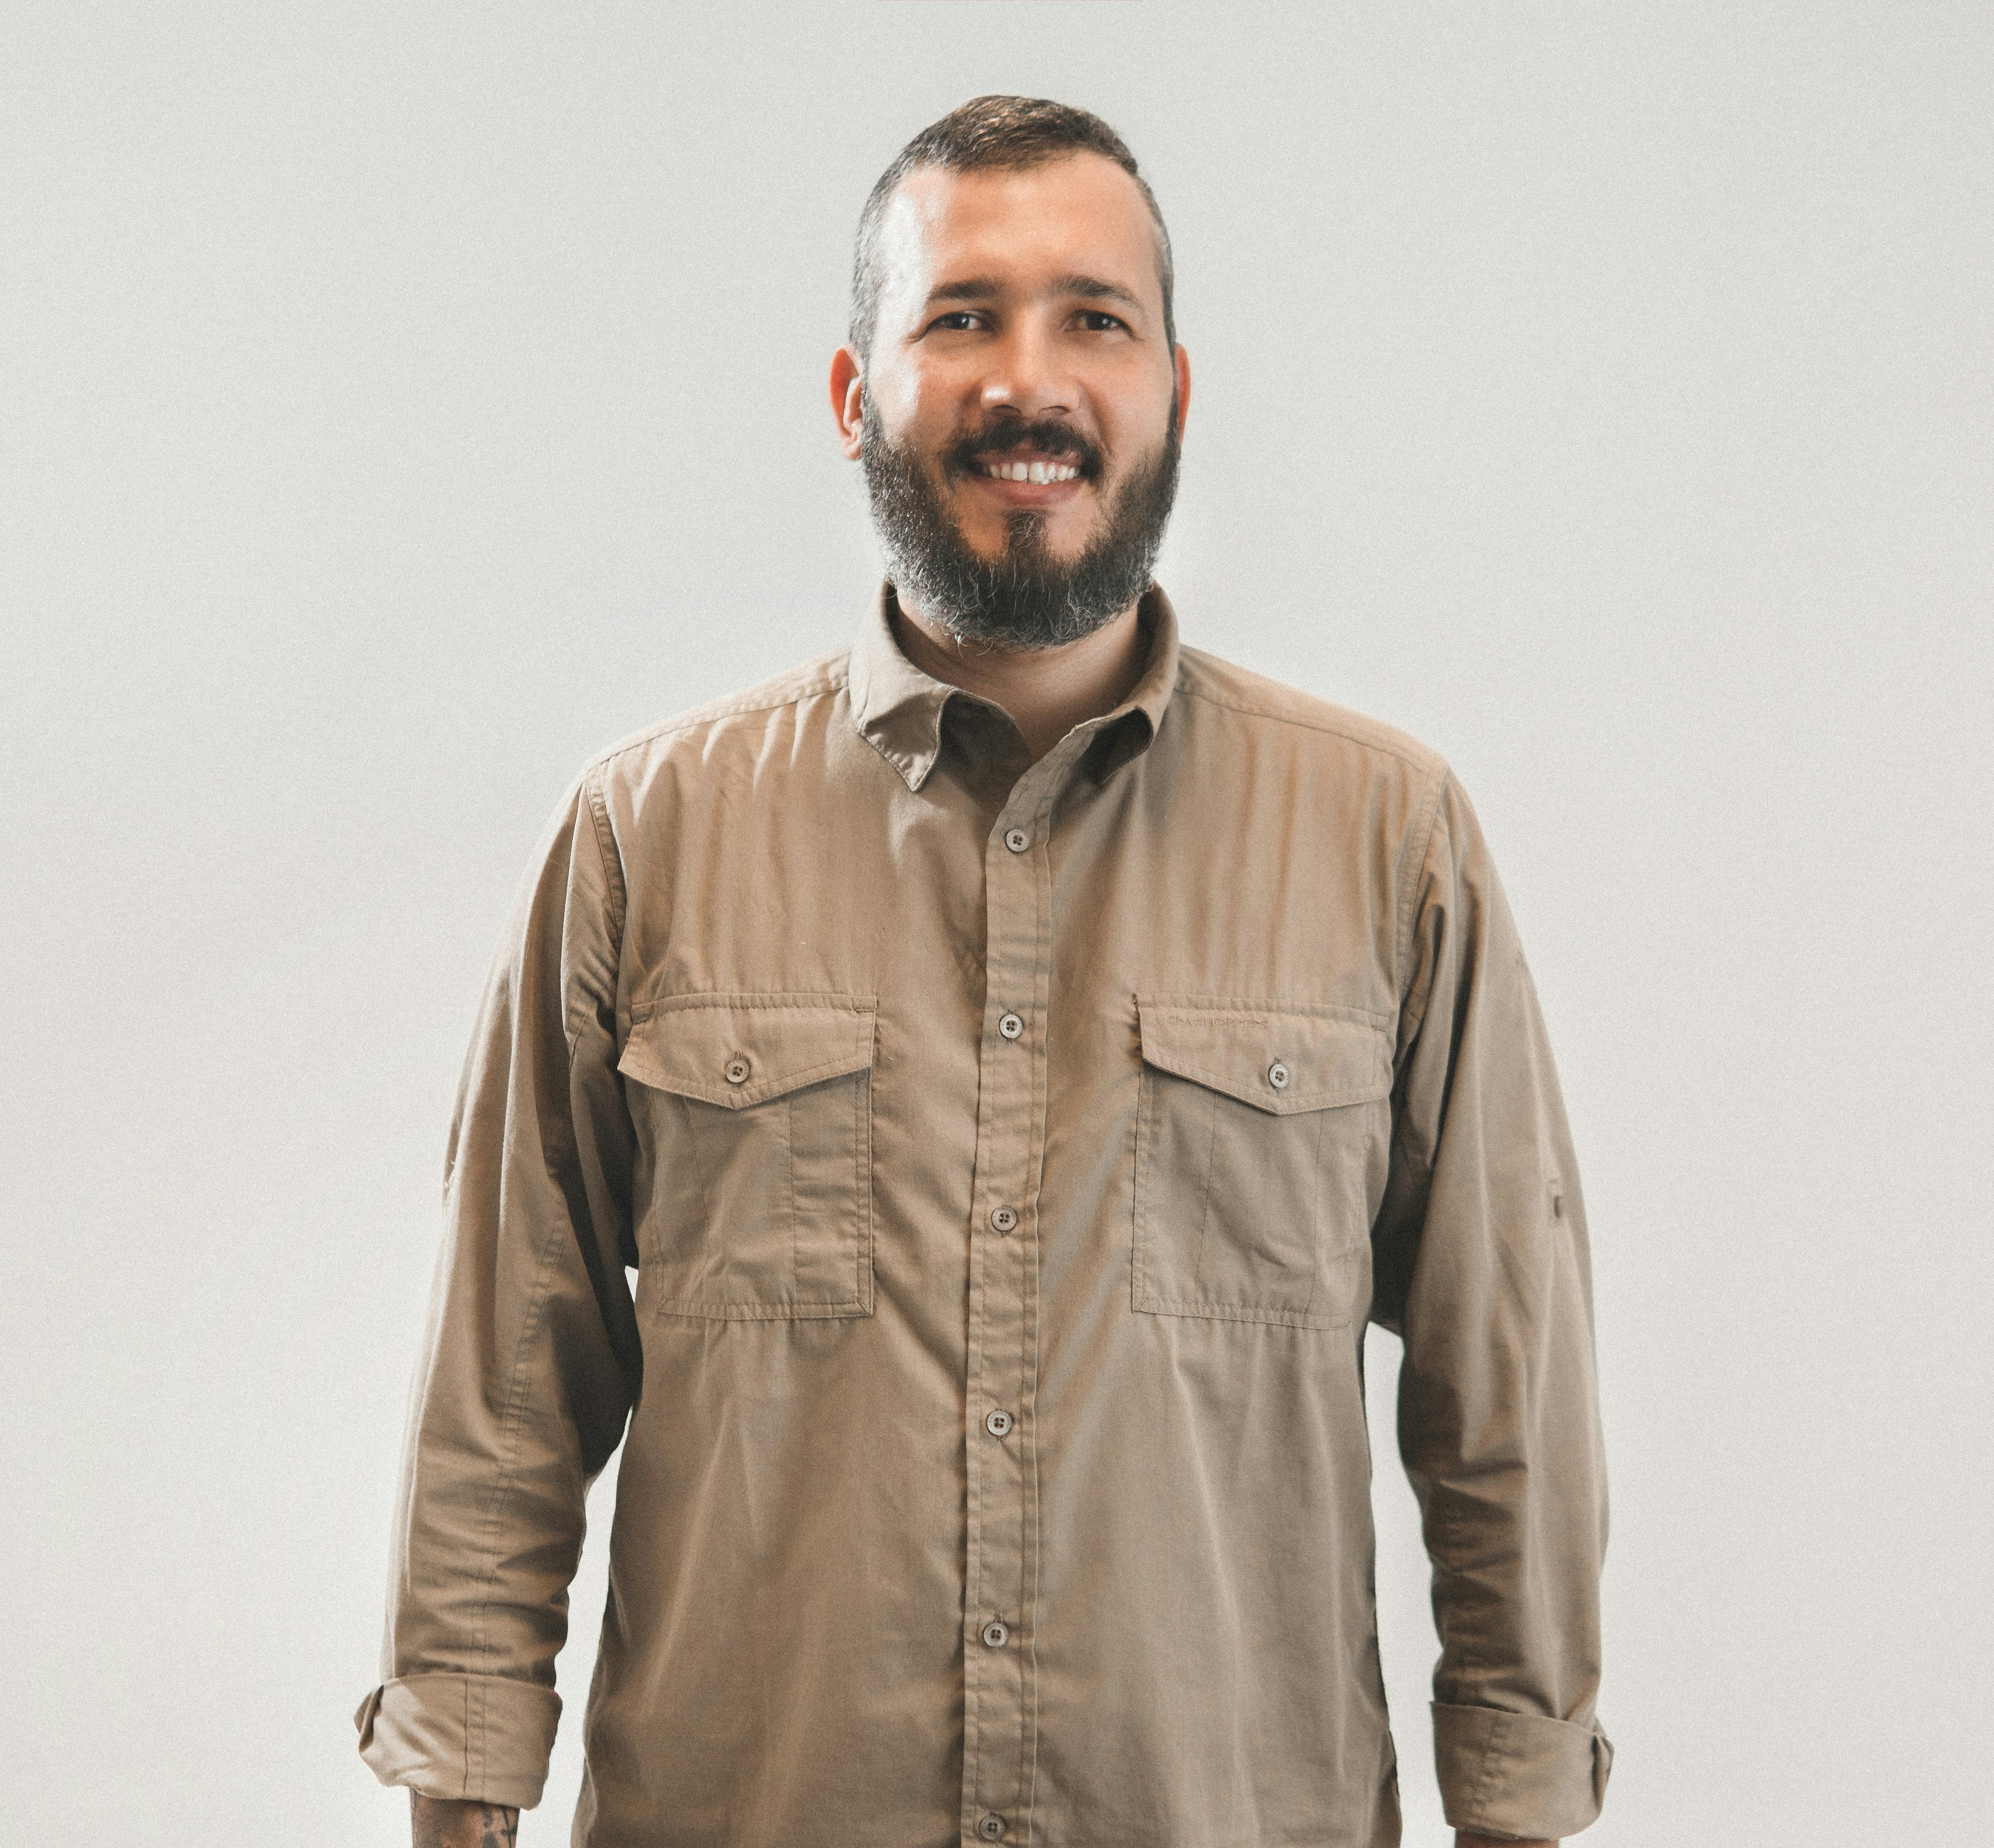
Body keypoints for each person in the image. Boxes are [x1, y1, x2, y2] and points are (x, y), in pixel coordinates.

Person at [357, 95, 1612, 1848]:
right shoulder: (646, 836)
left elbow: (1507, 1386)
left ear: (1177, 390)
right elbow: (505, 1377)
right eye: (962, 317)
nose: (1032, 382)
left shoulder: (1386, 838)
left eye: (1094, 319)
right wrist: (464, 1785)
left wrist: (1520, 1799)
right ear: (855, 395)